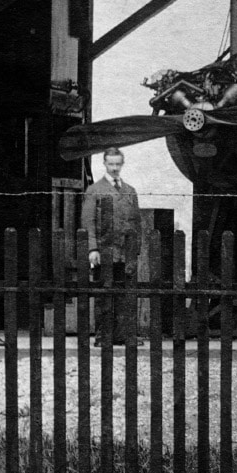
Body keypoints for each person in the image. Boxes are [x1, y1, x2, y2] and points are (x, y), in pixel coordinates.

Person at [85, 147, 146, 344]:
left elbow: (136, 222)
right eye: (111, 164)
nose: (114, 168)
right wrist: (92, 249)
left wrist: (135, 249)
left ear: (122, 164)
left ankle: (125, 335)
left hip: (125, 252)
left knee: (126, 294)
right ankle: (103, 336)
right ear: (104, 164)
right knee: (104, 295)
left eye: (118, 164)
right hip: (104, 251)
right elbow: (88, 222)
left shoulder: (130, 191)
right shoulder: (94, 190)